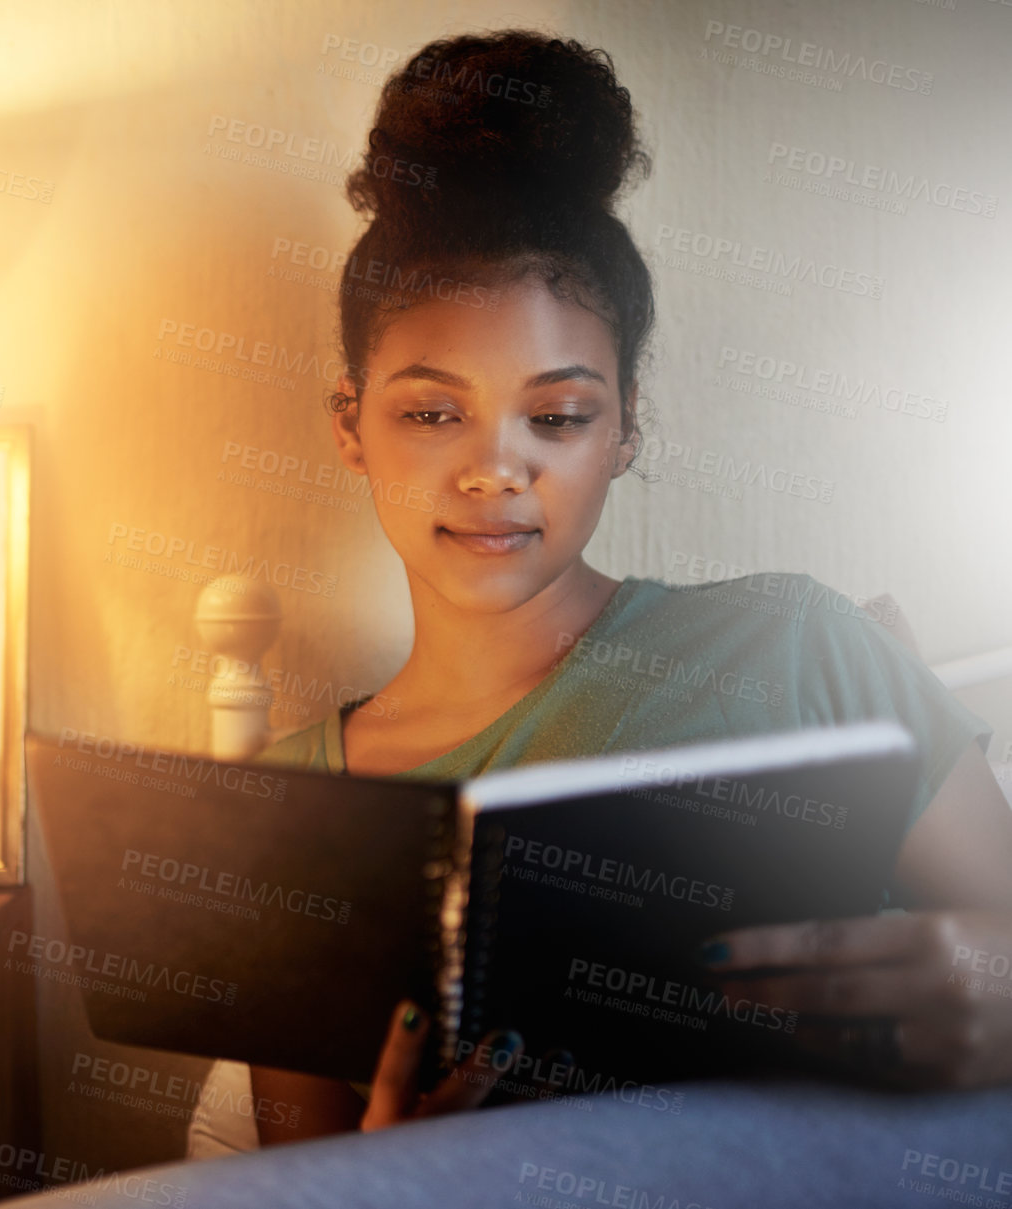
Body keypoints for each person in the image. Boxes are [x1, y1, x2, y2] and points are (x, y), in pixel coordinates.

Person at [241, 29, 1012, 1144]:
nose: (496, 468)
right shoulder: (286, 814)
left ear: (625, 430)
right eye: (430, 410)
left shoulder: (798, 643)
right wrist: (394, 1171)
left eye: (556, 416)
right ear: (350, 427)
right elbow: (292, 1176)